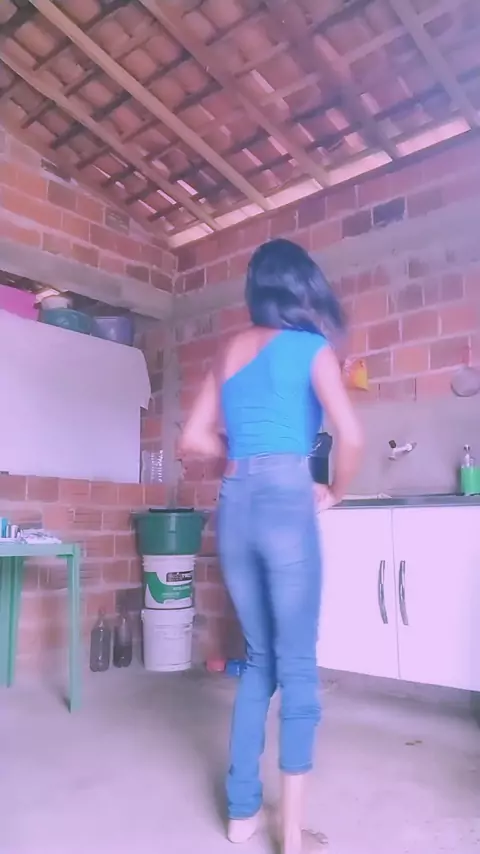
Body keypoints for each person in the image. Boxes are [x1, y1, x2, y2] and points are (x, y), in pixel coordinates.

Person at [180, 238, 363, 853]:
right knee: (298, 666)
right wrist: (335, 490)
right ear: (303, 287)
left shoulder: (228, 351)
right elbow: (352, 436)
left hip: (234, 505)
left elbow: (192, 438)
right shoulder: (312, 349)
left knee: (259, 660)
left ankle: (241, 817)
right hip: (287, 499)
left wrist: (240, 454)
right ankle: (291, 836)